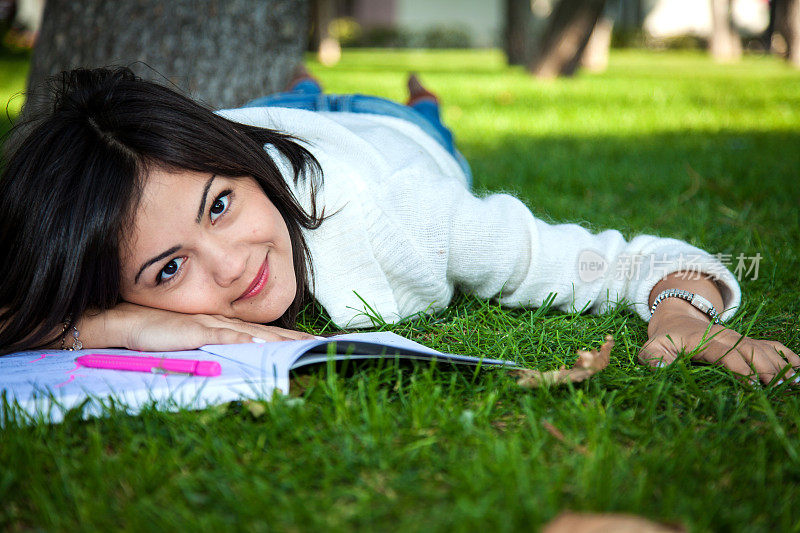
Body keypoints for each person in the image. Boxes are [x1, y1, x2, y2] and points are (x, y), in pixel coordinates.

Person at [0, 66, 797, 386]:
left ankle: (419, 103)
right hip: (273, 122)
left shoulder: (415, 218)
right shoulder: (159, 175)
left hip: (388, 139)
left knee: (419, 125)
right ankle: (305, 90)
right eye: (169, 269)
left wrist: (681, 311)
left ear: (239, 166)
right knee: (302, 101)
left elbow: (623, 262)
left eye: (220, 205)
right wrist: (112, 322)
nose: (233, 261)